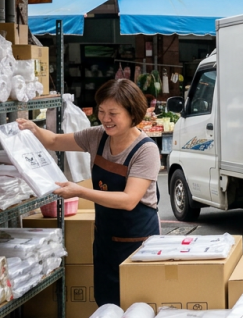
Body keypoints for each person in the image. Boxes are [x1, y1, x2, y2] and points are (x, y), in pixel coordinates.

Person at [16, 79, 161, 306]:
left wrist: (79, 191)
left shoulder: (146, 150)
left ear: (133, 113)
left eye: (113, 113)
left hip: (138, 241)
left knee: (137, 307)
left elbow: (129, 200)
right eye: (101, 111)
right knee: (106, 303)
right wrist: (34, 129)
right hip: (105, 239)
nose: (105, 119)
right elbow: (54, 141)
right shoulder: (96, 136)